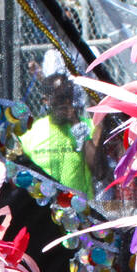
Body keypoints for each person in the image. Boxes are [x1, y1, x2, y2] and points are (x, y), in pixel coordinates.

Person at [21, 50, 99, 196]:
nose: (63, 104)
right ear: (46, 101)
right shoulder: (34, 132)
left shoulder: (88, 126)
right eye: (57, 100)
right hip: (43, 210)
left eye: (65, 98)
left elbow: (98, 169)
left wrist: (76, 123)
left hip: (80, 209)